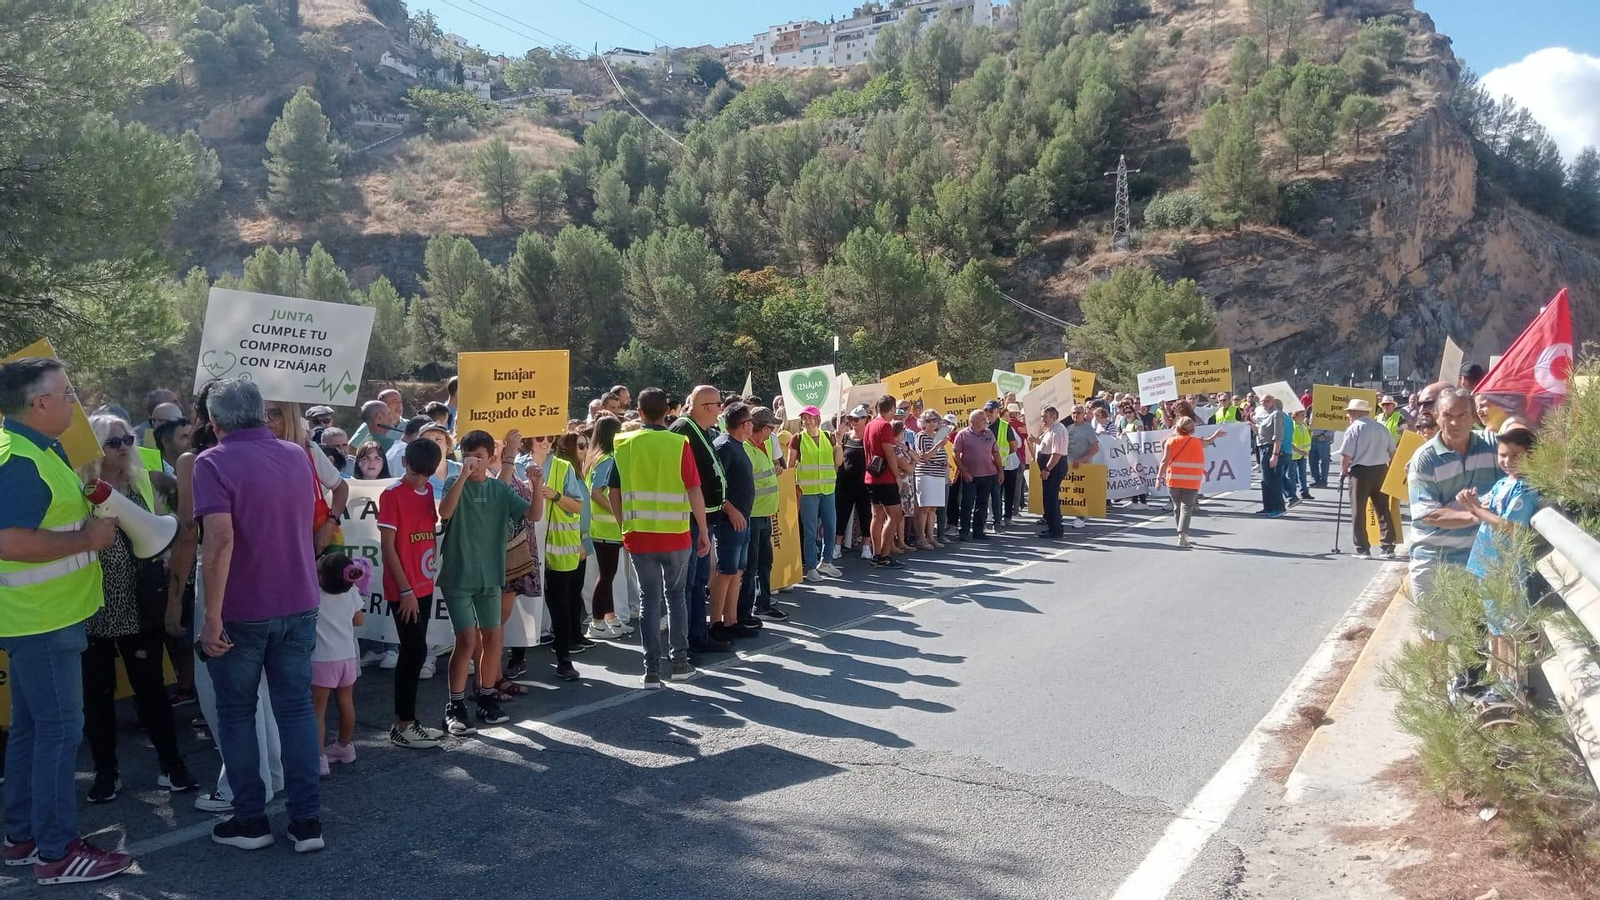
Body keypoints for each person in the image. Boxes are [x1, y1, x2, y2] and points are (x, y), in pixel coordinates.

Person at [0, 359, 135, 884]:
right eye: (66, 395)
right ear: (39, 403)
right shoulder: (20, 459)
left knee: (33, 729)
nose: (75, 403)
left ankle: (23, 838)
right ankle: (56, 853)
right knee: (58, 732)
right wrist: (87, 539)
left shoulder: (31, 448)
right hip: (43, 619)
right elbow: (8, 540)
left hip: (40, 616)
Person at [194, 377, 324, 853]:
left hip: (243, 608)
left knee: (237, 714)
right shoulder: (296, 455)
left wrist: (211, 617)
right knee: (295, 710)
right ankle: (306, 821)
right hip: (299, 600)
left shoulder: (212, 462)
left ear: (215, 421)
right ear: (261, 412)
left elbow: (219, 539)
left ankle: (250, 819)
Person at [75, 414, 193, 805]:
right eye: (113, 442)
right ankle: (106, 773)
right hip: (92, 606)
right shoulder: (77, 487)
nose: (124, 447)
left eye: (127, 439)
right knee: (97, 695)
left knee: (152, 690)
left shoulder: (140, 479)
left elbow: (159, 528)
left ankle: (172, 765)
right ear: (95, 448)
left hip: (139, 603)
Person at [602, 387, 712, 686]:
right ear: (667, 412)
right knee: (676, 599)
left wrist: (623, 524)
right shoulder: (679, 443)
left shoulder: (624, 443)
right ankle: (680, 662)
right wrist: (703, 530)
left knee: (648, 601)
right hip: (675, 536)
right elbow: (694, 489)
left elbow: (612, 492)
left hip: (640, 537)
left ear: (639, 413)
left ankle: (651, 670)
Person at [437, 429, 537, 733]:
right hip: (458, 576)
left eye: (479, 457)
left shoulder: (499, 489)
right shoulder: (454, 482)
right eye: (469, 456)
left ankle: (487, 696)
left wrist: (537, 485)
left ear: (489, 458)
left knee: (493, 638)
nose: (474, 462)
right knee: (467, 640)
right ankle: (454, 705)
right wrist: (463, 477)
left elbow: (533, 515)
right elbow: (445, 512)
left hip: (491, 576)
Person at [1407, 388, 1503, 638]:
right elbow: (1430, 515)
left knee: (1483, 639)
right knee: (1438, 638)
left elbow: (1522, 454)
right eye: (1448, 415)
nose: (1454, 422)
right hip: (1437, 560)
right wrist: (1477, 515)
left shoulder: (1493, 446)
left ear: (1473, 417)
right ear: (1436, 416)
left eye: (1462, 415)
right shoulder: (1424, 459)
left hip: (1482, 559)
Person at [376, 439, 446, 750]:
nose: (420, 480)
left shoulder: (429, 490)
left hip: (424, 583)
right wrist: (405, 589)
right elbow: (388, 547)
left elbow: (427, 533)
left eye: (426, 474)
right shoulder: (391, 494)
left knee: (415, 651)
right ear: (405, 463)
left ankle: (408, 721)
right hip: (403, 588)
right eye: (415, 473)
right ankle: (402, 725)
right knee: (414, 651)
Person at [1461, 424, 1540, 695]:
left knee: (1508, 627)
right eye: (1503, 455)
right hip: (1488, 564)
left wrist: (1476, 510)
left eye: (1515, 456)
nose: (1507, 461)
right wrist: (1474, 502)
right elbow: (1487, 506)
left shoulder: (1527, 489)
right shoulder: (1503, 483)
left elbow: (1510, 526)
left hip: (1506, 567)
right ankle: (1502, 680)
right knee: (1495, 625)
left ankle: (1513, 685)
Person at [672, 385, 733, 654]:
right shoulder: (683, 430)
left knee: (697, 581)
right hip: (690, 519)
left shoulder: (701, 430)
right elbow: (686, 479)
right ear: (707, 407)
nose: (721, 410)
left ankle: (697, 633)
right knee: (689, 582)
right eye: (719, 404)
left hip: (702, 518)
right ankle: (688, 639)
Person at [541, 432, 589, 682]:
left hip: (558, 547)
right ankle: (516, 658)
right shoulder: (514, 464)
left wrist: (556, 495)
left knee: (559, 603)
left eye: (548, 436)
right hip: (524, 546)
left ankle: (564, 658)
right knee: (520, 606)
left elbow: (579, 506)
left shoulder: (562, 467)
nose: (544, 441)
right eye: (538, 437)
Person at [310, 554, 364, 776]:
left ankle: (318, 758)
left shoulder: (313, 592)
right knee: (346, 702)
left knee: (317, 709)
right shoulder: (352, 591)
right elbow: (359, 620)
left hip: (322, 658)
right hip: (348, 656)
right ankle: (344, 746)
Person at [709, 403, 756, 643]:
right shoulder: (725, 446)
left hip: (742, 519)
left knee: (737, 571)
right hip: (730, 521)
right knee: (726, 571)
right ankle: (716, 623)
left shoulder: (736, 445)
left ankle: (731, 620)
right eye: (751, 422)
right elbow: (714, 485)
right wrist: (731, 510)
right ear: (745, 424)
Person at [585, 416, 635, 638]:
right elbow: (596, 493)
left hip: (603, 528)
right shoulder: (607, 459)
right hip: (606, 529)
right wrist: (618, 512)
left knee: (608, 575)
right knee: (606, 576)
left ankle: (610, 618)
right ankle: (596, 623)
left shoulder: (596, 458)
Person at [1338, 398, 1399, 559]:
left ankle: (1363, 548)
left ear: (1356, 412)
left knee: (1358, 510)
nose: (1348, 415)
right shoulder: (1381, 428)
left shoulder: (1354, 428)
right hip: (1381, 470)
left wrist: (1343, 470)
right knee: (1383, 508)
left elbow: (1346, 455)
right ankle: (1388, 547)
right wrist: (1389, 468)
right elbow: (1392, 451)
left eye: (1350, 412)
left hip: (1360, 472)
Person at [788, 405, 843, 582]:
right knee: (810, 532)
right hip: (808, 492)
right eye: (804, 418)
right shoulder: (797, 439)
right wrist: (794, 486)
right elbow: (790, 466)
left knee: (831, 528)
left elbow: (838, 462)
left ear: (818, 419)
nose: (807, 421)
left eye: (810, 417)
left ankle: (826, 562)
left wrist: (839, 442)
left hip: (828, 490)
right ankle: (811, 567)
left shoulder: (828, 436)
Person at [1157, 416, 1229, 549]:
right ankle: (1182, 536)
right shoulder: (1196, 442)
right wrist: (1215, 435)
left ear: (1177, 428)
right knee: (1186, 508)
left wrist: (1158, 477)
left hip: (1173, 480)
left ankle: (1180, 534)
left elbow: (1164, 461)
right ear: (1192, 429)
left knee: (1177, 508)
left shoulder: (1170, 442)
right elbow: (1207, 442)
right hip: (1191, 481)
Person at [743, 408, 785, 622]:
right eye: (771, 427)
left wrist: (776, 467)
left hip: (764, 514)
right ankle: (751, 608)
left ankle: (762, 603)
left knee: (764, 562)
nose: (773, 431)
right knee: (752, 565)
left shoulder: (761, 445)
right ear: (764, 428)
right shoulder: (747, 448)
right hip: (753, 516)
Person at [864, 395, 907, 568]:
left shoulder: (869, 424)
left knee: (877, 515)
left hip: (871, 476)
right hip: (885, 478)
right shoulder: (885, 425)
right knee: (895, 515)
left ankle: (876, 554)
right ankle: (884, 555)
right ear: (892, 409)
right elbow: (889, 451)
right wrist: (897, 475)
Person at [953, 409, 1001, 541]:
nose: (986, 421)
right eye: (982, 419)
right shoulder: (963, 435)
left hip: (988, 474)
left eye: (985, 418)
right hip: (970, 476)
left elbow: (996, 453)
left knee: (982, 504)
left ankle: (978, 531)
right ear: (972, 421)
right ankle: (964, 531)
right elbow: (955, 454)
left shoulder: (989, 433)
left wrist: (1000, 471)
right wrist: (963, 472)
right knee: (967, 504)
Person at [835, 406, 873, 562]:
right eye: (851, 419)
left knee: (865, 514)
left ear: (865, 420)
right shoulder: (845, 437)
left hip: (864, 483)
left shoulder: (869, 439)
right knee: (841, 513)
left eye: (856, 419)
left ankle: (866, 546)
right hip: (845, 482)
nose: (853, 422)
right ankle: (837, 546)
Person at [913, 410, 949, 549]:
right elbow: (925, 456)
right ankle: (921, 538)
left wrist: (943, 461)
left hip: (938, 474)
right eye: (928, 420)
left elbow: (939, 455)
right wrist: (939, 445)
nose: (932, 423)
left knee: (933, 508)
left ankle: (931, 537)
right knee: (924, 507)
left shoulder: (938, 436)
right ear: (923, 422)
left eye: (934, 420)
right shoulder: (921, 436)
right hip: (925, 474)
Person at [983, 400, 1016, 529]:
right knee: (983, 495)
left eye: (991, 411)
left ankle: (997, 521)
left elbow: (1013, 446)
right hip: (982, 465)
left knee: (996, 494)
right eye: (986, 410)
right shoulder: (980, 424)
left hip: (998, 465)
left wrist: (1003, 456)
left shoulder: (1005, 426)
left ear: (997, 412)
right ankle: (982, 521)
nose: (988, 413)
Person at [1256, 394, 1288, 517]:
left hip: (1270, 449)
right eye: (1262, 402)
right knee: (1265, 480)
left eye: (1267, 401)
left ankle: (1279, 507)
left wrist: (1275, 455)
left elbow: (1278, 436)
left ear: (1273, 402)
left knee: (1272, 480)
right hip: (1262, 448)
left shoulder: (1276, 414)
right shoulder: (1266, 415)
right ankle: (1268, 507)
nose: (1264, 404)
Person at [1002, 403, 1029, 524]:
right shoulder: (1021, 426)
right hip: (1017, 460)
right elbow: (1022, 443)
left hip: (1001, 462)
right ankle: (1014, 510)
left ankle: (1000, 513)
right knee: (1015, 487)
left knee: (1000, 490)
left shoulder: (1003, 426)